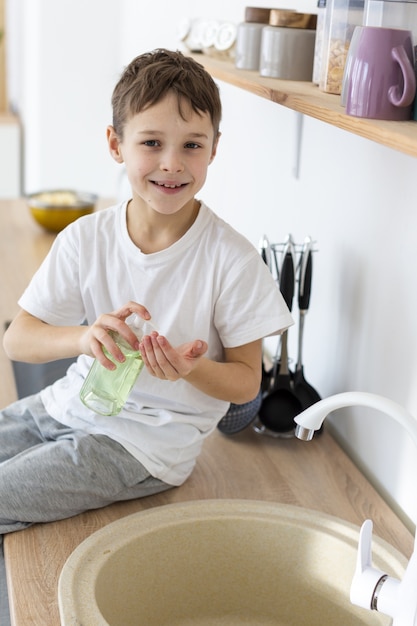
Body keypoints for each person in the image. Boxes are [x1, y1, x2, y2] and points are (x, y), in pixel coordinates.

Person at [0, 48, 293, 620]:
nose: (172, 164)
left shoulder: (231, 261)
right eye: (151, 142)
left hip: (142, 446)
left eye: (192, 145)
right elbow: (19, 339)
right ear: (116, 145)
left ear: (213, 149)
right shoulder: (87, 239)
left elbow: (244, 386)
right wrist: (83, 338)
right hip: (64, 407)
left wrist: (190, 370)